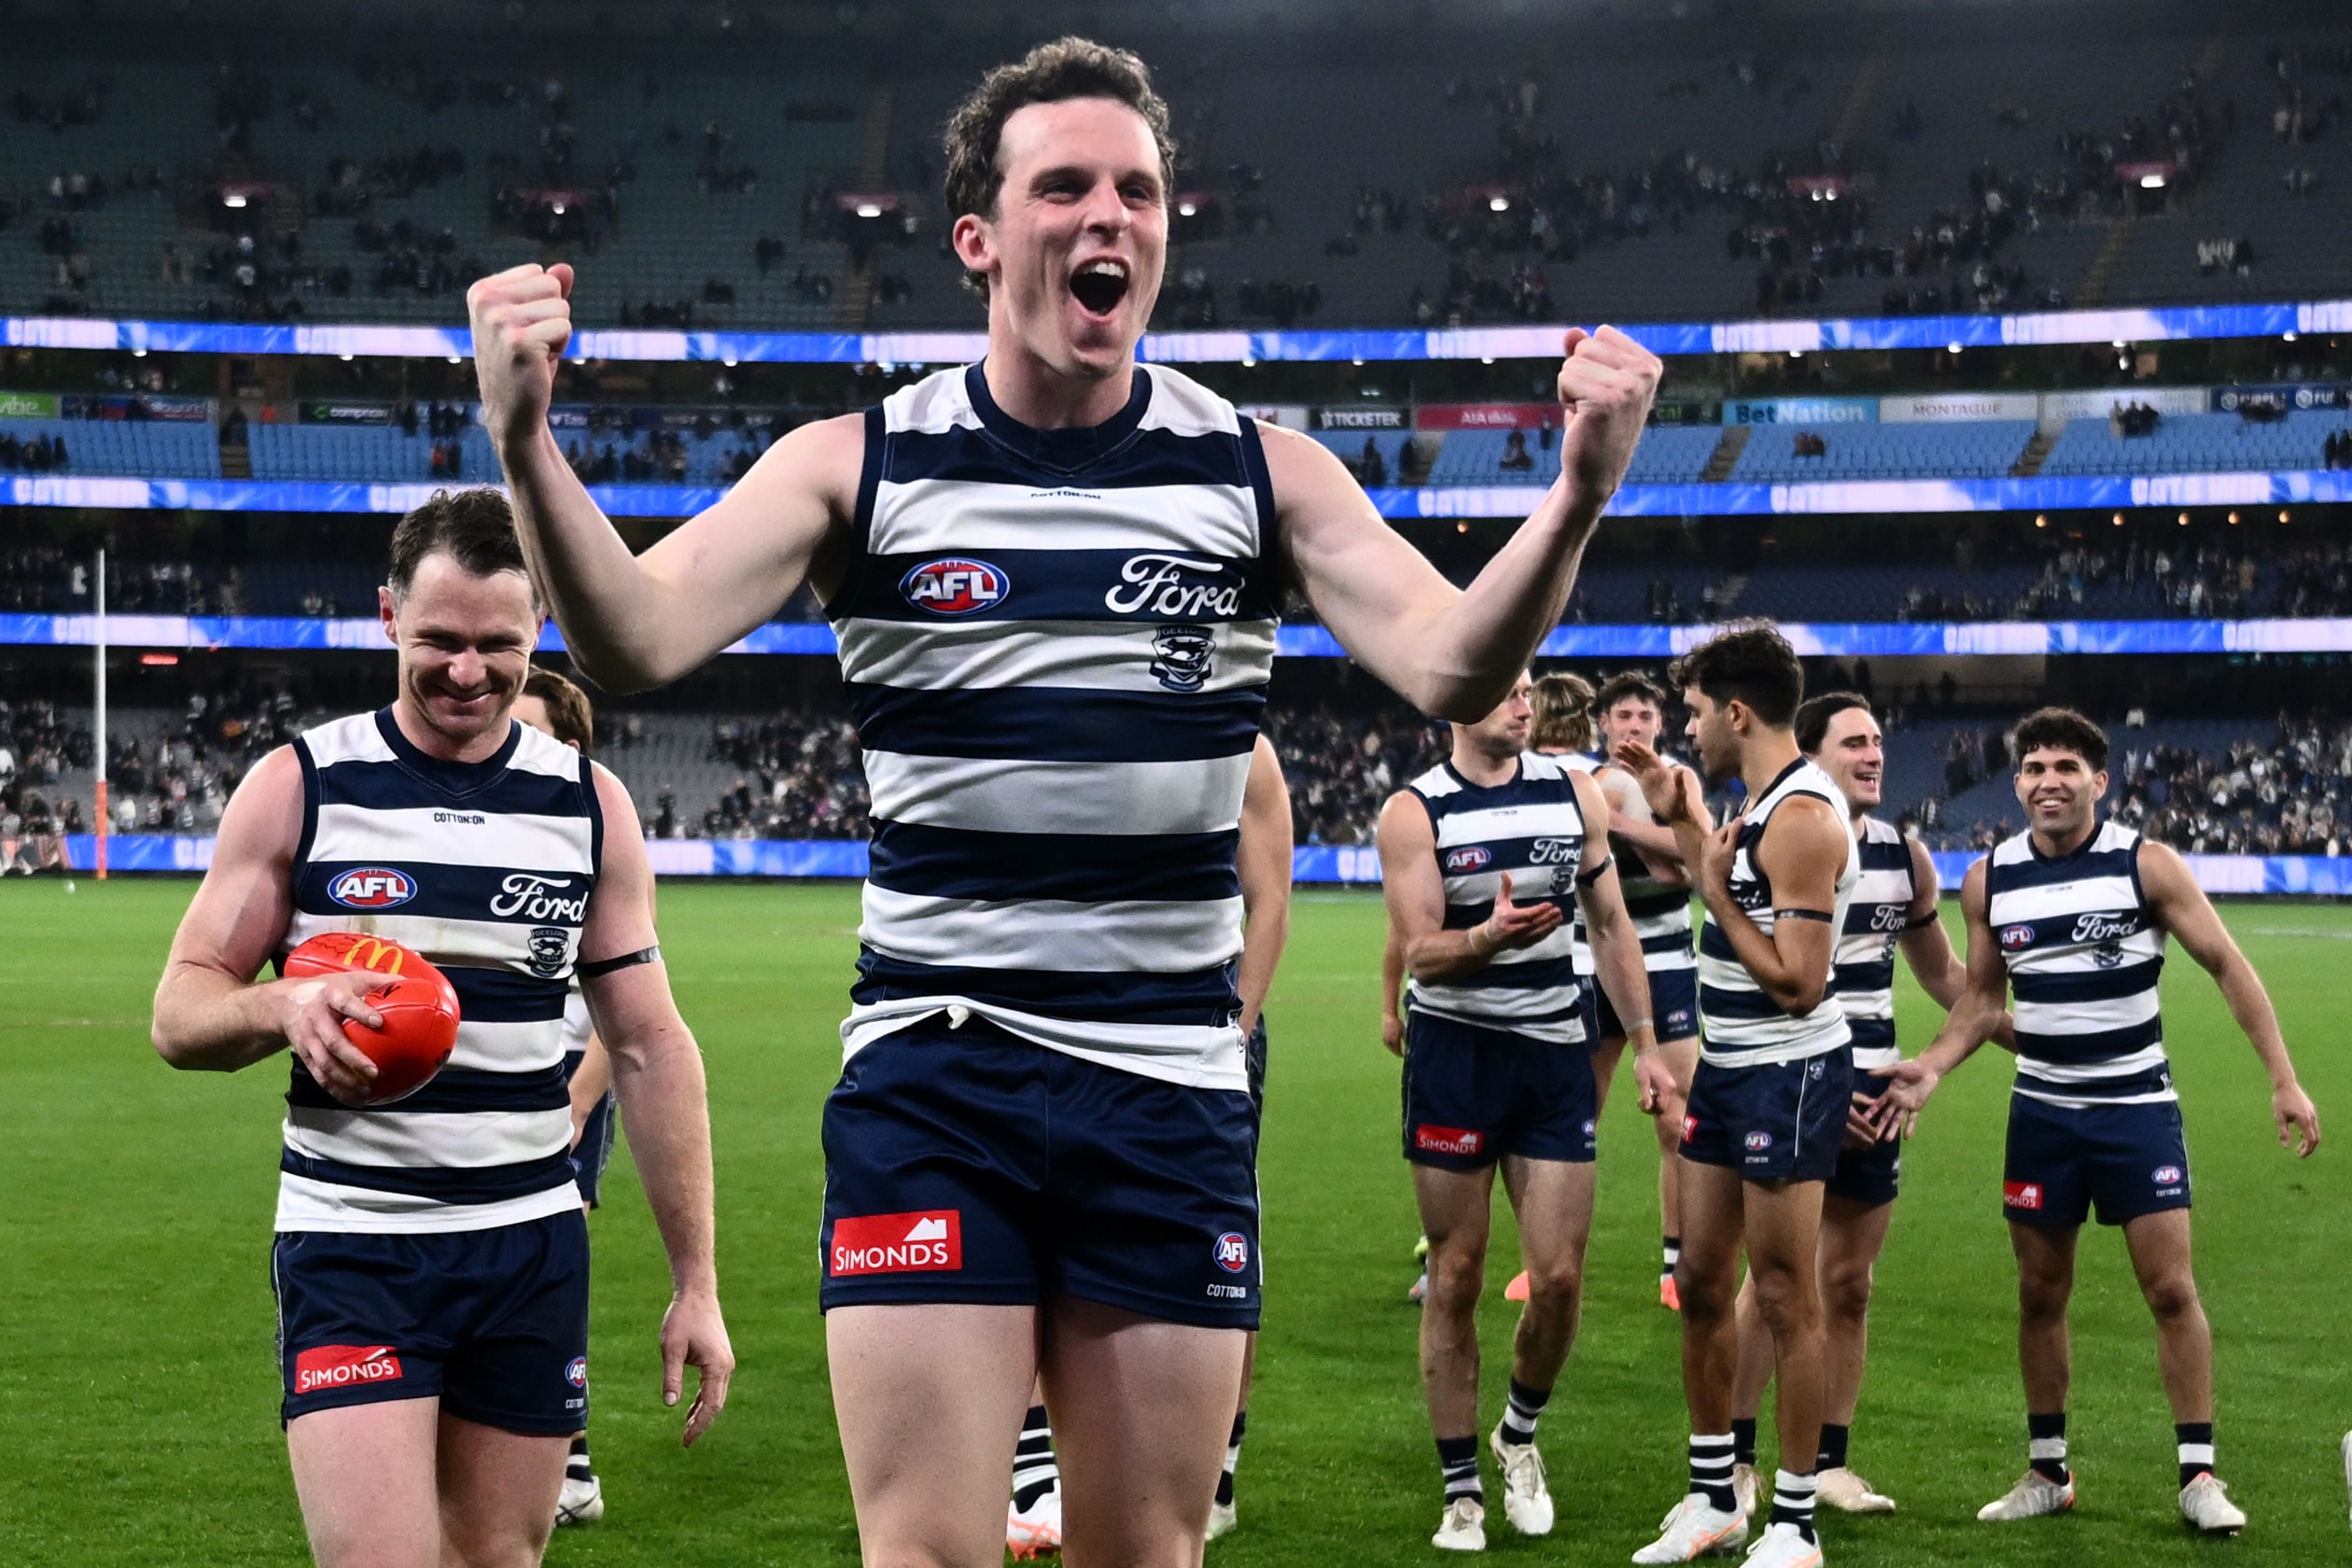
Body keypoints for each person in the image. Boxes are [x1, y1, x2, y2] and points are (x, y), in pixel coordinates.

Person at [469, 34, 1659, 1564]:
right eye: (1068, 187)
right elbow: (630, 637)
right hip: (935, 1080)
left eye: (1140, 190)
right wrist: (523, 442)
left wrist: (1575, 497)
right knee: (931, 1551)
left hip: (1165, 1090)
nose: (1112, 215)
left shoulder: (1257, 474)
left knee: (1143, 1552)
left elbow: (1444, 662)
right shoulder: (863, 463)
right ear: (979, 237)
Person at [148, 489, 733, 1568]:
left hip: (528, 1247)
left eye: (499, 646)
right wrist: (284, 1004)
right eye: (439, 642)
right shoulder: (300, 786)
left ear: (540, 632)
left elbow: (650, 1044)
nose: (469, 672)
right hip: (357, 1242)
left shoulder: (588, 805)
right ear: (386, 617)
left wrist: (696, 1283)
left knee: (499, 1559)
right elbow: (180, 1012)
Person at [1880, 707, 2320, 1536]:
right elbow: (1980, 1002)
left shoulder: (2143, 864)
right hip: (2042, 1113)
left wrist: (2284, 1079)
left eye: (2066, 768)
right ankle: (2048, 1471)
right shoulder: (1990, 878)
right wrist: (1931, 1070)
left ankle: (2198, 1476)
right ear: (2016, 784)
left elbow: (2227, 964)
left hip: (2137, 1109)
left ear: (2099, 781)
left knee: (2170, 1289)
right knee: (2040, 1293)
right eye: (2035, 768)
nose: (2050, 781)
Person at [1379, 669, 1656, 1552]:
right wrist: (1488, 936)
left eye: (1530, 689)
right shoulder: (1414, 811)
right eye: (1504, 689)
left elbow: (1611, 925)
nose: (1523, 702)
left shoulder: (1574, 793)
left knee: (1561, 1277)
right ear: (1459, 703)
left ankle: (1519, 1436)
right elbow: (1421, 952)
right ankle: (1461, 1489)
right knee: (1456, 1275)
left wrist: (1649, 1047)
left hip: (1551, 1057)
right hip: (1455, 1059)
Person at [1008, 734, 1294, 1556]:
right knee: (1034, 1220)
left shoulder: (1244, 744)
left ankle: (1220, 1463)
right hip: (1053, 1020)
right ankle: (1037, 1467)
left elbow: (1268, 901)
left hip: (1199, 1032)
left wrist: (1228, 1036)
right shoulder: (1062, 704)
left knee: (1218, 1247)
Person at [1723, 692, 2005, 1516]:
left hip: (1876, 1093)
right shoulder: (1777, 835)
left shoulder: (1904, 856)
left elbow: (1946, 978)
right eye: (1855, 743)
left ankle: (1827, 1466)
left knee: (1848, 1284)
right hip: (1797, 1082)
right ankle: (1736, 1465)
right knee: (1770, 1285)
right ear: (1810, 754)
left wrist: (2028, 1033)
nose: (1877, 754)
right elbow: (1756, 976)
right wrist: (1825, 1079)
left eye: (1880, 741)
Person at [1617, 623, 1858, 1568]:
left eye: (1695, 711)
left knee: (1789, 1296)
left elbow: (1799, 980)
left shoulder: (1803, 818)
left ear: (1737, 711)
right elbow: (1721, 873)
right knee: (1704, 1283)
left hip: (1790, 1073)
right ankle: (1715, 1495)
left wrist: (1711, 888)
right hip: (1727, 1067)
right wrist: (1679, 817)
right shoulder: (1756, 803)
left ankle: (1794, 1520)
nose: (1690, 727)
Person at [510, 665, 623, 1529]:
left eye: (533, 729)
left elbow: (631, 1024)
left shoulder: (589, 832)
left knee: (550, 1257)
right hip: (491, 1088)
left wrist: (578, 1107)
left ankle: (570, 1458)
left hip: (567, 1083)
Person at [1584, 670, 1707, 1312]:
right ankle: (1547, 1263)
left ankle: (1675, 1265)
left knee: (1675, 1115)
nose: (1634, 726)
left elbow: (1694, 859)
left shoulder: (1679, 782)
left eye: (1644, 716)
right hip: (1592, 960)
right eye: (1622, 716)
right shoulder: (1587, 785)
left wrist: (1621, 829)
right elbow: (1672, 861)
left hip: (1665, 958)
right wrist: (1662, 848)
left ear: (1660, 724)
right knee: (1576, 1116)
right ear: (1603, 724)